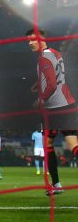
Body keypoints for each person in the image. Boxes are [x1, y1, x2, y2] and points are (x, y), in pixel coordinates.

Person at [28, 28, 77, 196]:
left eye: (33, 40)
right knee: (72, 143)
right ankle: (56, 184)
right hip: (68, 104)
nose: (30, 43)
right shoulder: (55, 53)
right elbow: (55, 77)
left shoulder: (43, 58)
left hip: (54, 108)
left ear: (42, 39)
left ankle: (56, 184)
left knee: (47, 144)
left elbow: (52, 84)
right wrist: (38, 85)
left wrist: (40, 100)